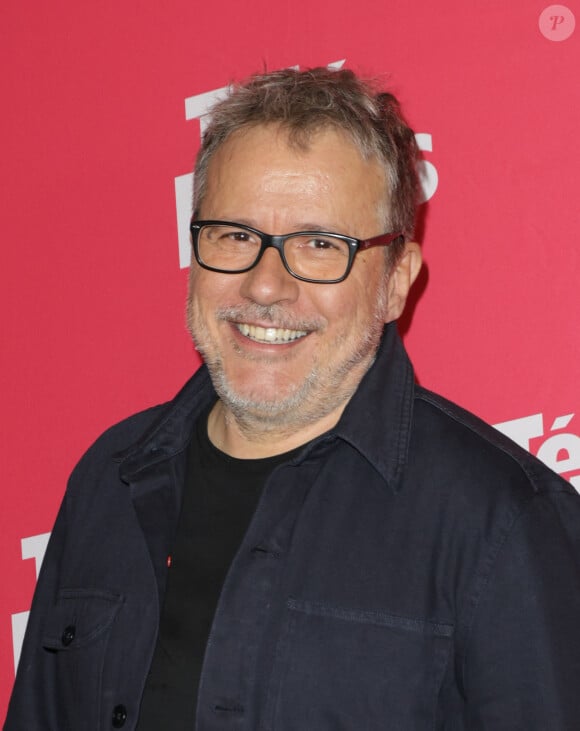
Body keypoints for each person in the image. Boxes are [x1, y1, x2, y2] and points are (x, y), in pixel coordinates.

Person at [4, 67, 580, 731]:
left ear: (397, 281)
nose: (265, 285)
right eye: (236, 235)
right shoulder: (109, 478)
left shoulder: (505, 523)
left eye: (318, 244)